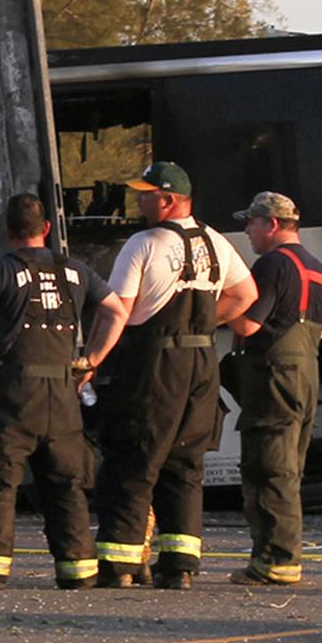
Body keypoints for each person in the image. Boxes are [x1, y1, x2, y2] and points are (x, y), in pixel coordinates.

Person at [0, 193, 129, 590]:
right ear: (46, 228)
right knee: (66, 483)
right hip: (62, 392)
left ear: (9, 232)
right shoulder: (76, 270)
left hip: (14, 394)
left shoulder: (2, 269)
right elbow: (117, 311)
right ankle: (78, 570)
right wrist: (91, 360)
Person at [95, 161, 257, 589]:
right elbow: (246, 295)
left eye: (145, 194)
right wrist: (200, 329)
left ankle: (120, 564)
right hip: (201, 364)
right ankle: (179, 566)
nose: (139, 201)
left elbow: (118, 311)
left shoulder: (143, 244)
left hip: (154, 365)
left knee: (135, 458)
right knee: (185, 465)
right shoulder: (216, 242)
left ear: (167, 200)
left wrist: (91, 360)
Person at [227, 192, 322, 586]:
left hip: (273, 375)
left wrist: (217, 306)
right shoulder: (319, 269)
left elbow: (248, 323)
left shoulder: (273, 264)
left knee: (269, 467)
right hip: (306, 373)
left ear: (271, 224)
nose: (247, 231)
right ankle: (281, 556)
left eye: (251, 223)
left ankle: (275, 561)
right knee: (290, 468)